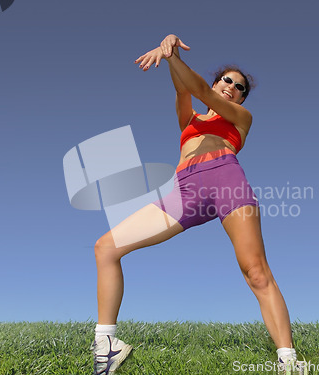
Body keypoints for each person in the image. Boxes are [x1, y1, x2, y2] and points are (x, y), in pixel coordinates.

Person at [91, 34, 302, 375]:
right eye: (227, 80)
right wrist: (168, 50)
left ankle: (289, 362)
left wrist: (171, 57)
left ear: (242, 98)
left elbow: (201, 92)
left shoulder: (240, 118)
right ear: (218, 80)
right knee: (105, 247)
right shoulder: (189, 122)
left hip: (226, 181)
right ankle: (107, 346)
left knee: (256, 272)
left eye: (240, 87)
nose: (232, 87)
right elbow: (184, 92)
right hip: (183, 191)